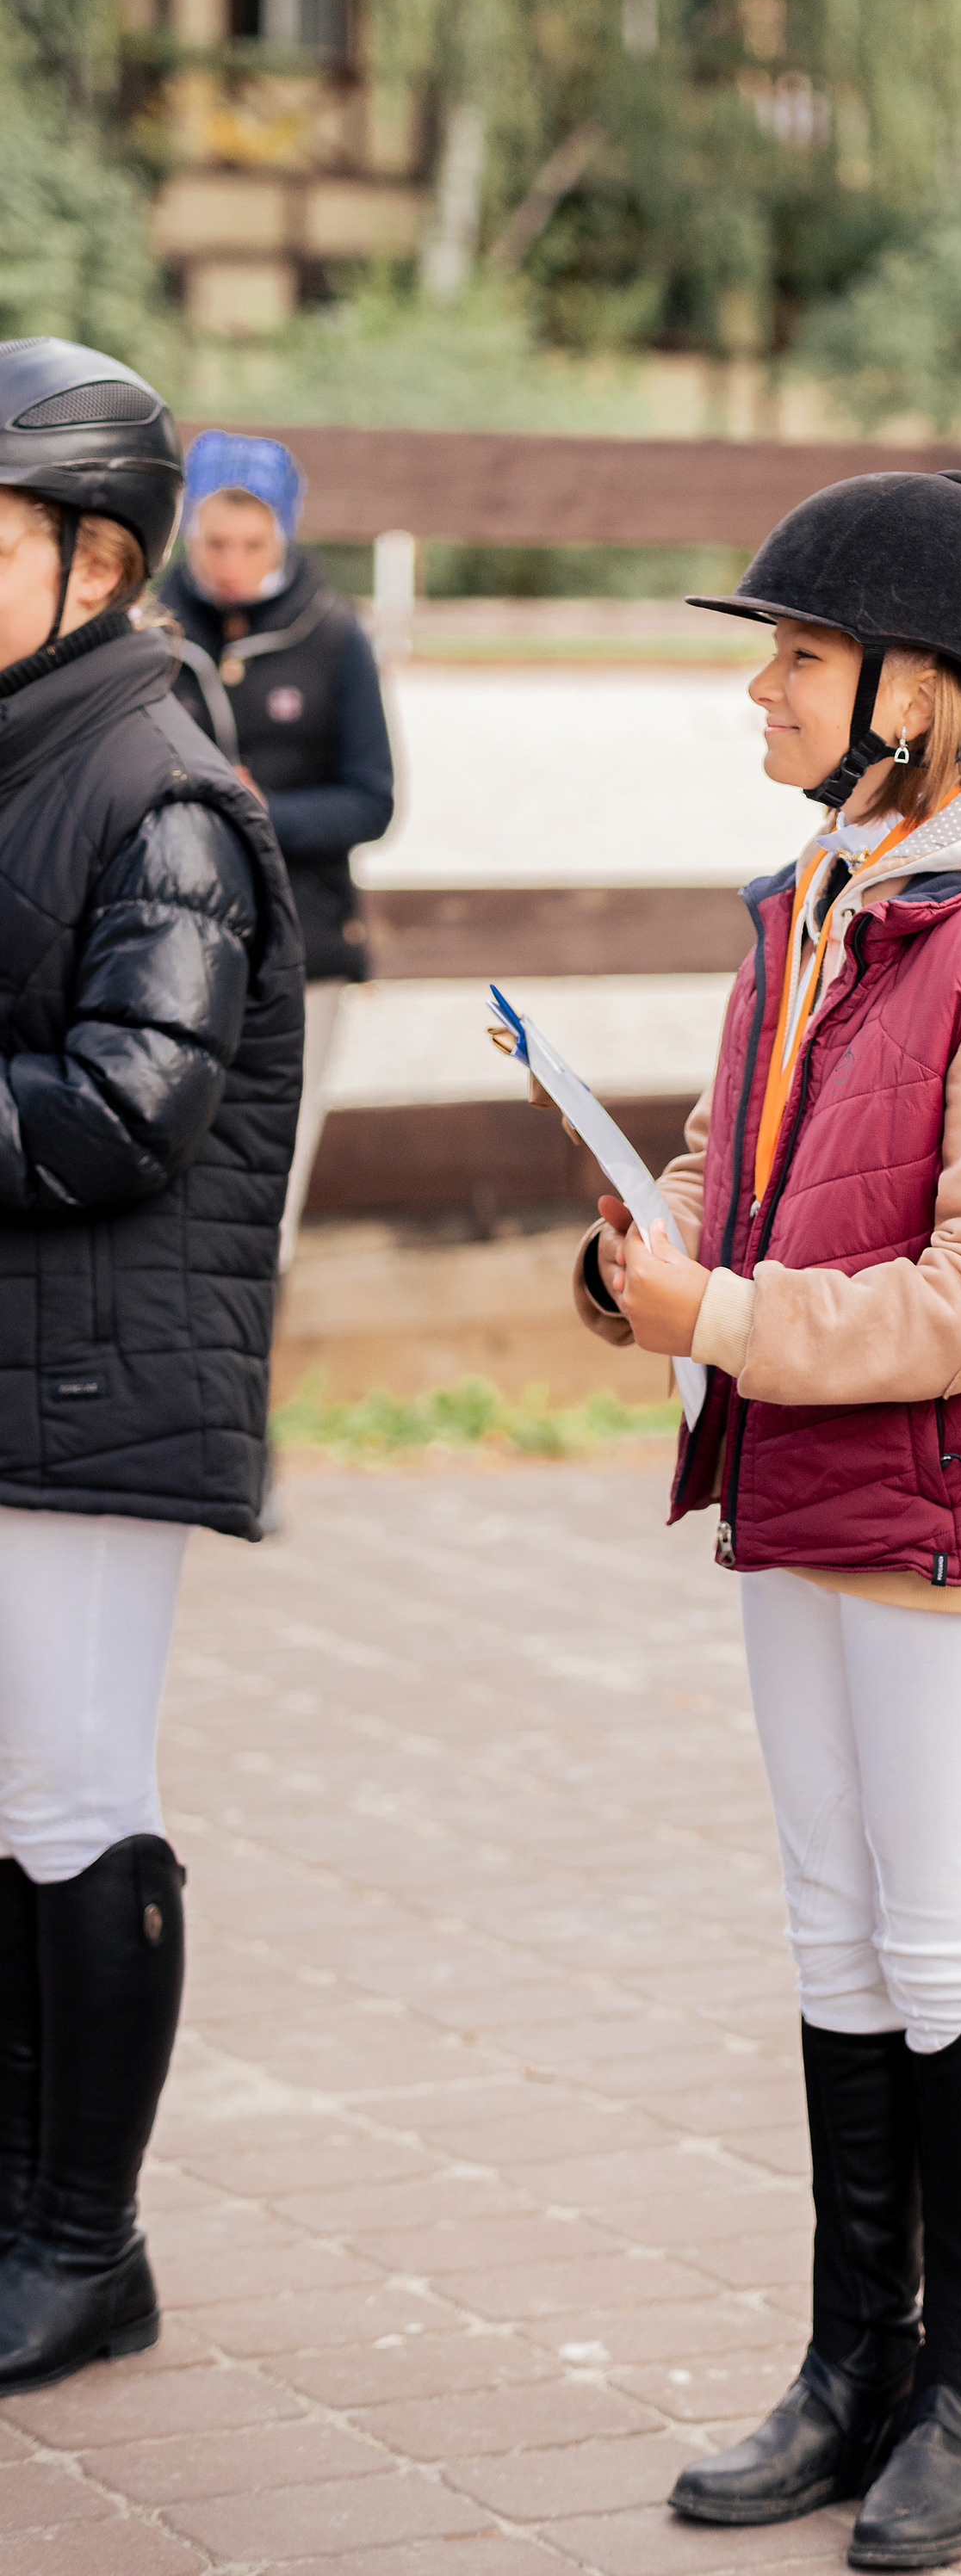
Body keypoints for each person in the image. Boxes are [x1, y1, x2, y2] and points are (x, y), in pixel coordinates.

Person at [570, 470, 961, 2570]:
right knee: (831, 1923)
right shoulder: (816, 894)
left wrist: (717, 1308)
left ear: (933, 693)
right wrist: (654, 1258)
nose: (764, 694)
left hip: (939, 1501)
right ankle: (848, 2363)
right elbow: (737, 1162)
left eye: (799, 657)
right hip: (805, 1466)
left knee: (940, 1926)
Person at [0, 338, 303, 2390]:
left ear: (94, 559)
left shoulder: (163, 784)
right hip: (18, 1361)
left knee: (70, 1798)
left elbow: (128, 1107)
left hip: (100, 1386)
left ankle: (84, 2243)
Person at [158, 429, 393, 1265]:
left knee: (272, 1177)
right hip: (170, 939)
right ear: (189, 533)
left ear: (282, 535)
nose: (232, 561)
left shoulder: (333, 636)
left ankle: (254, 1365)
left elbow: (373, 802)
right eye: (215, 541)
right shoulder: (147, 632)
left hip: (303, 945)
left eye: (252, 543)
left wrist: (259, 813)